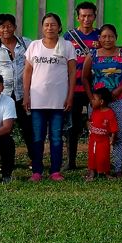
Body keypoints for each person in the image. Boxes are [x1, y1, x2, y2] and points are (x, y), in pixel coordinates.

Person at [22, 12, 78, 182]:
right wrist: (26, 95)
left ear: (59, 27)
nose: (49, 28)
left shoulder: (67, 46)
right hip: (37, 101)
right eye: (46, 25)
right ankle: (37, 171)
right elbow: (27, 72)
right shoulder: (34, 46)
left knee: (56, 138)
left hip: (58, 101)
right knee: (37, 137)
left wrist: (70, 96)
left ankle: (55, 171)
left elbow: (72, 73)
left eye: (53, 25)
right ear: (42, 27)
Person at [86, 24, 122, 176]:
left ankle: (117, 168)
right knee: (96, 134)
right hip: (98, 103)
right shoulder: (93, 55)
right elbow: (85, 77)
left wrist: (119, 90)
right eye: (104, 37)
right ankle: (95, 168)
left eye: (111, 36)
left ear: (116, 37)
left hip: (118, 100)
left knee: (117, 134)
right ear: (99, 38)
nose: (107, 39)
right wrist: (91, 98)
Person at [0, 13, 29, 157]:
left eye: (9, 26)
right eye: (2, 27)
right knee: (2, 129)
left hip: (24, 94)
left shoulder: (27, 43)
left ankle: (34, 160)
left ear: (15, 27)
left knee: (28, 128)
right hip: (2, 95)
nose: (6, 29)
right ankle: (3, 159)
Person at [64, 2, 103, 170]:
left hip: (96, 89)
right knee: (72, 127)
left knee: (98, 125)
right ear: (77, 17)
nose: (86, 19)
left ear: (95, 16)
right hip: (74, 89)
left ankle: (97, 161)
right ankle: (70, 162)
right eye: (83, 16)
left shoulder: (100, 36)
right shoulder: (68, 36)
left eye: (90, 16)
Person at [84, 85, 118, 182]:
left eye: (94, 99)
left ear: (101, 102)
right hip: (93, 139)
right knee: (92, 156)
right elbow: (90, 121)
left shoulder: (110, 113)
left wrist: (113, 138)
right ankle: (92, 172)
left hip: (104, 140)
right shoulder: (94, 111)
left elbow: (114, 128)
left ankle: (106, 172)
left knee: (103, 157)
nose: (92, 101)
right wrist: (87, 124)